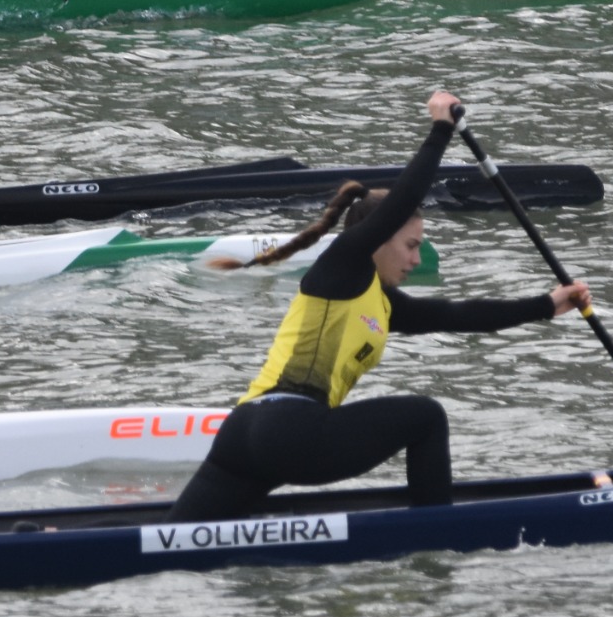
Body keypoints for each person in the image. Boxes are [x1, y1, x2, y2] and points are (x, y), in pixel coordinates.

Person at [168, 92, 587, 522]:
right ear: (378, 238)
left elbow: (456, 315)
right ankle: (437, 534)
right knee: (425, 418)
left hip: (241, 436)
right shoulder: (344, 265)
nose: (415, 260)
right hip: (290, 431)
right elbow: (403, 200)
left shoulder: (381, 303)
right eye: (410, 246)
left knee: (169, 544)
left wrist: (545, 305)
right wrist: (441, 129)